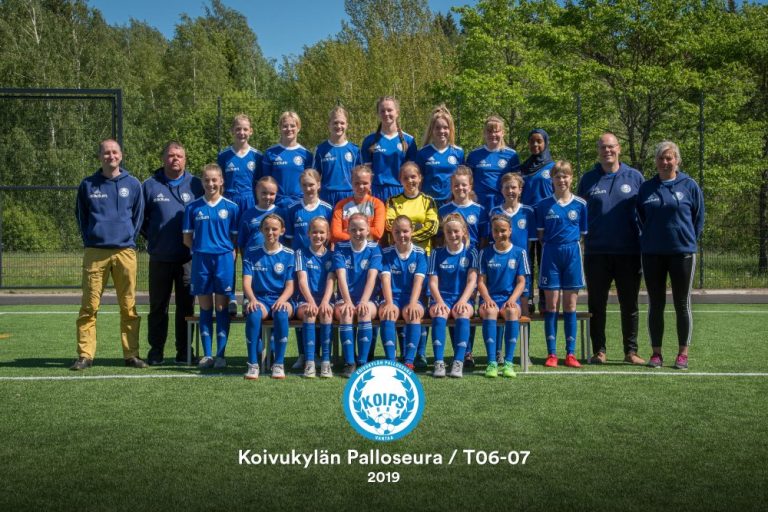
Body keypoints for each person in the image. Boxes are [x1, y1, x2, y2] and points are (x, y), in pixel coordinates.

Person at [72, 139, 146, 370]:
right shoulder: (87, 184)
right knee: (89, 306)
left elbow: (138, 216)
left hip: (125, 252)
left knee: (129, 306)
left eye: (114, 152)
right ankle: (85, 355)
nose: (111, 156)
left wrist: (128, 238)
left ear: (121, 156)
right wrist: (91, 239)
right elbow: (81, 216)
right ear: (100, 156)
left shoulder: (133, 184)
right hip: (95, 252)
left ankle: (131, 355)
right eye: (106, 153)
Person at [577, 133, 645, 365]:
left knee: (630, 304)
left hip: (629, 252)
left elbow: (645, 213)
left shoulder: (635, 177)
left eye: (611, 146)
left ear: (619, 148)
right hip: (596, 252)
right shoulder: (588, 179)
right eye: (603, 147)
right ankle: (599, 351)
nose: (607, 151)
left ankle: (631, 351)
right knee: (596, 304)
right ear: (598, 151)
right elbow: (579, 212)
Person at [636, 140, 704, 370]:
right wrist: (651, 238)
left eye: (669, 158)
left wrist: (686, 239)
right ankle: (656, 354)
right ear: (655, 161)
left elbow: (698, 218)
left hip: (682, 253)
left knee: (682, 304)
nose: (665, 162)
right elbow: (640, 218)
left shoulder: (689, 185)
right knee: (655, 304)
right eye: (661, 158)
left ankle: (682, 354)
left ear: (677, 160)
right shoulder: (646, 188)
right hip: (652, 253)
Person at [141, 141, 204, 365]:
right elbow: (140, 219)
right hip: (159, 257)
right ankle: (156, 351)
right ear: (163, 159)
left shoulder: (196, 184)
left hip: (188, 258)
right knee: (158, 306)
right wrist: (155, 237)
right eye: (170, 155)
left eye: (179, 156)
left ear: (185, 159)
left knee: (186, 307)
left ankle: (184, 351)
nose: (174, 159)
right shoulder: (150, 185)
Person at [182, 163, 239, 370]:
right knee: (205, 307)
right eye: (207, 180)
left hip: (223, 260)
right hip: (201, 260)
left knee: (222, 307)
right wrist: (201, 249)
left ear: (221, 181)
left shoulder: (231, 207)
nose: (211, 183)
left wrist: (223, 251)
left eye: (215, 179)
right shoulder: (193, 207)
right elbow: (187, 238)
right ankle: (207, 355)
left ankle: (220, 355)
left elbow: (234, 239)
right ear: (202, 182)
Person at [535, 160, 588, 368]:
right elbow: (540, 235)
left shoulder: (580, 204)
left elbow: (582, 233)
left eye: (565, 176)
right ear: (552, 179)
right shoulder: (543, 205)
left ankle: (571, 353)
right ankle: (552, 353)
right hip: (551, 254)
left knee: (570, 306)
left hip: (572, 254)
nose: (561, 180)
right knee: (551, 306)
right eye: (557, 176)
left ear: (571, 178)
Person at [217, 114, 262, 315]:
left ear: (251, 131)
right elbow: (219, 184)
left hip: (250, 204)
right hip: (229, 206)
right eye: (238, 129)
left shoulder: (257, 156)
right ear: (232, 131)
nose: (241, 132)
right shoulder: (224, 156)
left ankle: (248, 296)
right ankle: (230, 297)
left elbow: (261, 185)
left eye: (245, 129)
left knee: (248, 252)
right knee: (230, 251)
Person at [242, 214, 295, 380]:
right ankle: (253, 364)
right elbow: (246, 282)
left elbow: (290, 286)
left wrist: (282, 300)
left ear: (282, 231)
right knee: (254, 313)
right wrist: (252, 300)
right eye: (266, 229)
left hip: (282, 298)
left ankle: (278, 364)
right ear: (261, 230)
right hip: (260, 299)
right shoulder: (251, 252)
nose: (270, 232)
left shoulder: (289, 254)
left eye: (274, 229)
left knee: (281, 313)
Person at [477, 215, 529, 378]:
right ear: (491, 231)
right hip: (490, 299)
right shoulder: (484, 253)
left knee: (512, 312)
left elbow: (521, 282)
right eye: (496, 230)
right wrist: (487, 299)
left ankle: (508, 362)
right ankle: (491, 362)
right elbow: (480, 282)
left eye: (503, 230)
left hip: (509, 299)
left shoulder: (519, 252)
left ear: (510, 230)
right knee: (490, 311)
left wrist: (512, 300)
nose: (499, 234)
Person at [428, 213, 478, 378]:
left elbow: (472, 280)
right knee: (439, 313)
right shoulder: (436, 253)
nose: (453, 235)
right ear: (444, 233)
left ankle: (458, 362)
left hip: (463, 298)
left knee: (462, 312)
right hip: (442, 298)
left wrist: (463, 301)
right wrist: (439, 302)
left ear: (464, 231)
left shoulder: (471, 252)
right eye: (449, 232)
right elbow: (433, 282)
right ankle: (439, 362)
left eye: (456, 231)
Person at [333, 213, 382, 377]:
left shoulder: (374, 248)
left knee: (364, 311)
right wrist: (347, 301)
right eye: (353, 229)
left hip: (368, 299)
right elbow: (340, 276)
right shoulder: (340, 247)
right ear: (347, 230)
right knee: (346, 313)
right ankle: (349, 362)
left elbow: (372, 277)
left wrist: (363, 301)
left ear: (368, 229)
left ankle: (363, 362)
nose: (357, 233)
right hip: (345, 298)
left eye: (361, 229)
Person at [379, 216, 428, 368]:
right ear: (392, 233)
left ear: (412, 231)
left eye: (405, 231)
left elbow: (418, 282)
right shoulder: (386, 253)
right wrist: (388, 303)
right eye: (397, 232)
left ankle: (409, 362)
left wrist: (413, 303)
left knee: (413, 312)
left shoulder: (420, 253)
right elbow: (385, 279)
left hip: (412, 298)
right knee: (387, 312)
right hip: (392, 297)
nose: (402, 235)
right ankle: (391, 361)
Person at [489, 173, 536, 317]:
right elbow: (492, 241)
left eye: (514, 187)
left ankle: (524, 334)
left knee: (524, 308)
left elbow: (530, 242)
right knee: (501, 307)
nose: (510, 191)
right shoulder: (495, 212)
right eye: (507, 187)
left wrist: (520, 259)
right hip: (501, 267)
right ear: (501, 190)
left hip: (521, 266)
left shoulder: (528, 212)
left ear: (520, 190)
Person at [295, 217, 336, 378]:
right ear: (308, 233)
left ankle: (326, 362)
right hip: (305, 300)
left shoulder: (332, 255)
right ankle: (310, 362)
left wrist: (325, 301)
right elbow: (302, 280)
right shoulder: (301, 253)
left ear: (327, 234)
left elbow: (331, 280)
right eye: (314, 232)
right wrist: (311, 301)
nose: (318, 236)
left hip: (326, 299)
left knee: (326, 313)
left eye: (321, 232)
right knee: (310, 312)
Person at [519, 128, 555, 312]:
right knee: (527, 260)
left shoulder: (553, 167)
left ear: (545, 143)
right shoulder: (522, 168)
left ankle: (543, 298)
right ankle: (528, 299)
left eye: (539, 141)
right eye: (532, 141)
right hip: (526, 220)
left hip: (545, 220)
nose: (535, 145)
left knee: (543, 260)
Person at [361, 96, 418, 202]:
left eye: (389, 110)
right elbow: (366, 172)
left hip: (401, 192)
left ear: (397, 112)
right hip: (376, 192)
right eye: (382, 111)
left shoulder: (409, 141)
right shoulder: (369, 141)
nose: (386, 113)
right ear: (378, 114)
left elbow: (413, 173)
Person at [466, 115, 520, 212]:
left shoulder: (511, 155)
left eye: (496, 131)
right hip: (479, 203)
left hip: (503, 203)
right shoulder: (474, 155)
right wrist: (471, 194)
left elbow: (518, 181)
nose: (493, 134)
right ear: (484, 133)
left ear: (503, 133)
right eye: (489, 131)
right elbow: (467, 179)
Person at [262, 111, 313, 209]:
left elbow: (310, 181)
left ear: (298, 128)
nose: (289, 129)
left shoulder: (306, 154)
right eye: (285, 126)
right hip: (276, 203)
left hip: (300, 203)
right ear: (280, 128)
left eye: (292, 126)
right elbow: (265, 181)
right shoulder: (270, 153)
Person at [415, 105, 464, 204]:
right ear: (432, 130)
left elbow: (463, 180)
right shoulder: (423, 153)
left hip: (451, 203)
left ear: (450, 129)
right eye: (437, 128)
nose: (441, 131)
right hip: (428, 203)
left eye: (445, 127)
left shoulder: (458, 152)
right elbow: (418, 181)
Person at [385, 162, 439, 253]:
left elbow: (432, 228)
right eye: (405, 178)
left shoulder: (429, 201)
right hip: (398, 252)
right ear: (400, 180)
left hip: (423, 252)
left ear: (420, 178)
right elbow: (389, 224)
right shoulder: (392, 201)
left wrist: (406, 237)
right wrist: (418, 226)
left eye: (413, 177)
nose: (410, 181)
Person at [314, 106, 362, 207]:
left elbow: (360, 176)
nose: (338, 126)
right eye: (335, 123)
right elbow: (314, 176)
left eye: (342, 123)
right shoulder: (321, 149)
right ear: (329, 125)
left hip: (348, 194)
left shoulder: (355, 150)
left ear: (347, 125)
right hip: (326, 195)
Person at [331, 165, 386, 244]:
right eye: (357, 183)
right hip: (346, 247)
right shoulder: (341, 205)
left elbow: (378, 233)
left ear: (371, 183)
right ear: (351, 183)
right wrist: (364, 232)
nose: (361, 186)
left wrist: (346, 231)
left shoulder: (377, 204)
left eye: (365, 183)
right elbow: (335, 235)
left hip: (370, 248)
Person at [438, 166, 489, 249]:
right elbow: (439, 237)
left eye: (464, 185)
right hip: (450, 254)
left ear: (470, 187)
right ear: (451, 187)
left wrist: (479, 255)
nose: (460, 188)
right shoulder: (443, 210)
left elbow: (484, 238)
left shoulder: (480, 210)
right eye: (456, 185)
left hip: (472, 254)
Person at [285, 169, 334, 253]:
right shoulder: (292, 209)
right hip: (299, 257)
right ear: (300, 186)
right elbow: (289, 238)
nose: (308, 189)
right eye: (304, 185)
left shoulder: (328, 209)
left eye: (311, 185)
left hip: (321, 257)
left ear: (318, 185)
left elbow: (330, 239)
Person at [238, 176, 283, 254]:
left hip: (276, 259)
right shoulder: (247, 214)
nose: (268, 197)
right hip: (253, 258)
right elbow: (242, 243)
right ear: (256, 192)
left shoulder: (281, 213)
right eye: (264, 193)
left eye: (272, 194)